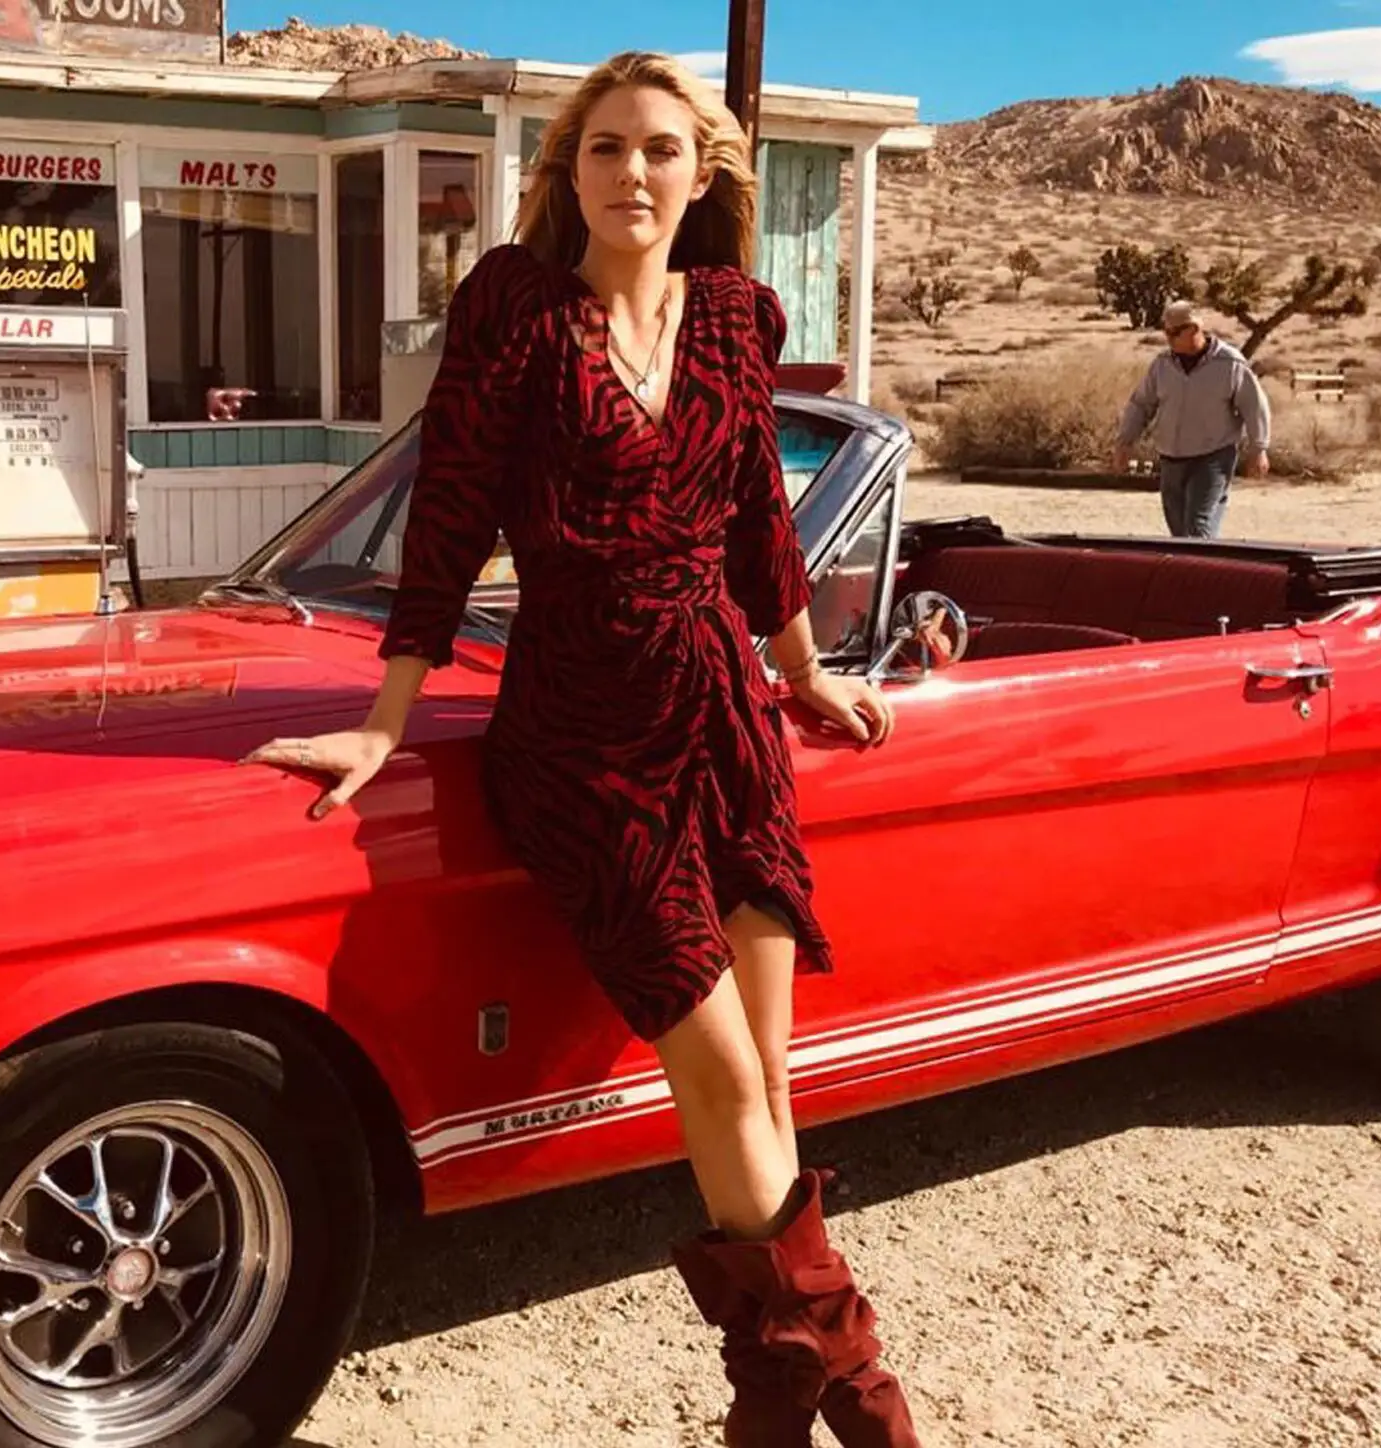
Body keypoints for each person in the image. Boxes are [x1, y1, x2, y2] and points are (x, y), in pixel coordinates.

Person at [244, 51, 920, 1448]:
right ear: (570, 173)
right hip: (578, 736)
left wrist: (804, 675)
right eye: (604, 149)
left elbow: (756, 522)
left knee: (771, 1087)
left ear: (703, 173)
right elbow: (449, 515)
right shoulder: (519, 311)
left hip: (727, 729)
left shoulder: (737, 317)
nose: (631, 173)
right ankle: (864, 1391)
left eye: (660, 149)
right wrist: (386, 716)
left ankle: (774, 1407)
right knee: (726, 1079)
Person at [1113, 299, 1272, 539]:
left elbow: (1254, 406)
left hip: (1213, 457)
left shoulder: (1229, 363)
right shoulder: (1162, 365)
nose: (1168, 338)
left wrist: (1258, 448)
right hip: (1171, 457)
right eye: (1165, 331)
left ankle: (1208, 574)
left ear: (1194, 330)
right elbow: (1141, 404)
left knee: (1198, 524)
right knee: (1179, 531)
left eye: (1175, 332)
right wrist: (1125, 442)